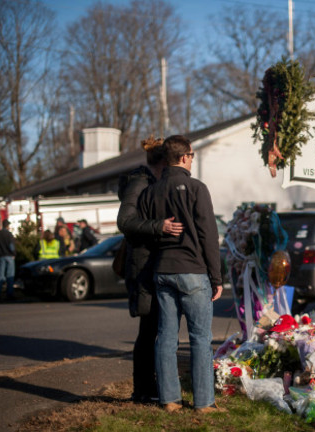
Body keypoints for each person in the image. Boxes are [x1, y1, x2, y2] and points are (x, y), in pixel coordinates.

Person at [139, 134, 224, 413]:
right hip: (192, 271)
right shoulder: (197, 188)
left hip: (162, 270)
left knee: (166, 337)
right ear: (185, 157)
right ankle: (203, 403)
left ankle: (170, 400)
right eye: (192, 156)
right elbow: (208, 235)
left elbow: (145, 233)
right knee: (200, 337)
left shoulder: (150, 192)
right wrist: (216, 277)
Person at [117, 136, 183, 404]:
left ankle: (149, 387)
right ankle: (142, 390)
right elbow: (125, 220)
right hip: (143, 266)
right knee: (149, 330)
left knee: (155, 326)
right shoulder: (140, 183)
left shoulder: (151, 182)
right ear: (163, 163)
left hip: (152, 264)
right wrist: (160, 226)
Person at [0, 219, 16, 302]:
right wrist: (14, 254)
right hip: (9, 256)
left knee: (0, 276)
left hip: (1, 256)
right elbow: (11, 246)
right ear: (8, 226)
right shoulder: (9, 234)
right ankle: (9, 294)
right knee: (10, 276)